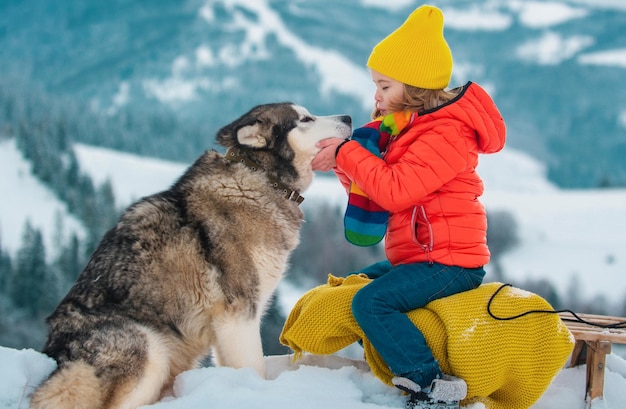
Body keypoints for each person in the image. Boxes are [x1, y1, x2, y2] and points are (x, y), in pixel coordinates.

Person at [311, 4, 506, 408]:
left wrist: (348, 154)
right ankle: (381, 365)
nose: (376, 97)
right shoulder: (410, 129)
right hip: (421, 258)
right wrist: (342, 164)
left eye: (384, 86)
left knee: (372, 301)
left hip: (450, 263)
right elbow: (376, 193)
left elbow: (396, 191)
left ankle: (431, 386)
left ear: (415, 87)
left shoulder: (446, 133)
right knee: (361, 284)